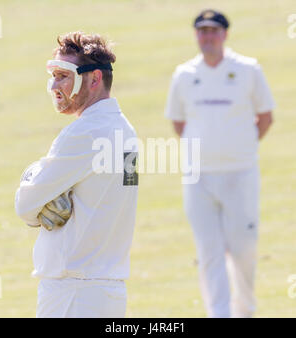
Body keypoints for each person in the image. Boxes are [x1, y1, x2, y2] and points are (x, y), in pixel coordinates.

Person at [15, 32, 139, 318]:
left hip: (73, 292)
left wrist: (32, 177)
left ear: (94, 79)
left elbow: (25, 206)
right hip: (105, 292)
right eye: (53, 75)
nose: (54, 86)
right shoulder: (125, 130)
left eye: (63, 76)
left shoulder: (86, 131)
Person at [165, 9, 274, 318]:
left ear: (225, 34)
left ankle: (245, 311)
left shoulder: (248, 70)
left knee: (243, 249)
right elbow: (178, 122)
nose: (207, 37)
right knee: (209, 251)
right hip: (199, 176)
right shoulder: (184, 74)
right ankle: (219, 313)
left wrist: (239, 146)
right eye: (202, 31)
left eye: (213, 31)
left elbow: (265, 118)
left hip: (240, 173)